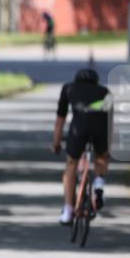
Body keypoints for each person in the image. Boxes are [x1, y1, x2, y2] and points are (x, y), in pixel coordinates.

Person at [51, 68, 110, 224]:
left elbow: (60, 120)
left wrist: (56, 143)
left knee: (71, 164)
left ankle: (68, 210)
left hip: (79, 130)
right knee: (102, 156)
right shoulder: (105, 91)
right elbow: (111, 121)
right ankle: (98, 186)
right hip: (100, 130)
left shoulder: (68, 89)